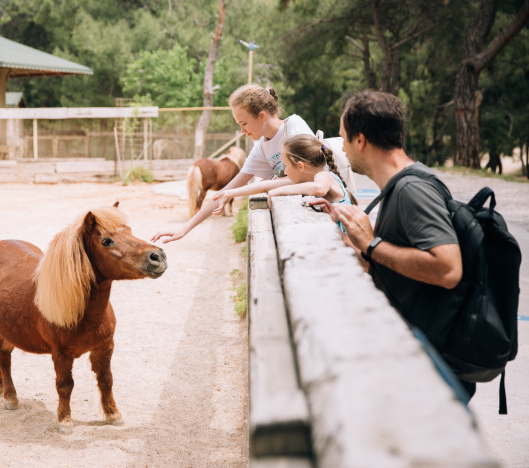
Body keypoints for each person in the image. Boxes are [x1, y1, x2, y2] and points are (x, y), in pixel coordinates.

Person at [312, 90, 472, 399]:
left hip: (432, 364)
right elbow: (391, 260)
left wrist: (371, 244)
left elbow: (448, 269)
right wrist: (350, 237)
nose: (342, 148)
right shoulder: (399, 185)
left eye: (343, 139)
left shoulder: (412, 189)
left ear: (360, 140)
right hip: (415, 353)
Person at [151, 84, 314, 244]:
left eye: (244, 123)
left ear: (262, 116)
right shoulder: (262, 147)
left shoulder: (293, 126)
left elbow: (310, 175)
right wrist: (185, 228)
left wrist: (269, 184)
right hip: (294, 220)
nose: (242, 130)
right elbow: (225, 191)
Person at [211, 134, 356, 232]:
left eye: (286, 165)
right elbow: (263, 186)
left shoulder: (323, 175)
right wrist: (229, 193)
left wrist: (278, 191)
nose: (285, 172)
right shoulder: (308, 179)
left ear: (300, 166)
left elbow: (319, 189)